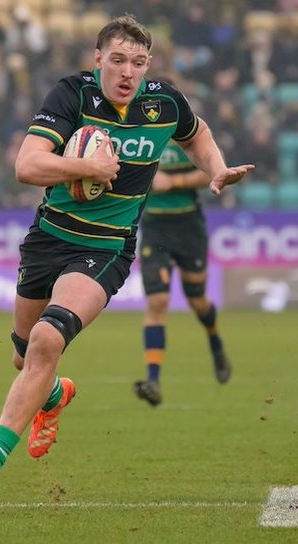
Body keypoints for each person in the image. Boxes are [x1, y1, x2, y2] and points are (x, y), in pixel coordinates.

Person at [0, 15, 253, 508]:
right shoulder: (71, 96)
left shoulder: (163, 102)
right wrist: (86, 166)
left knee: (48, 340)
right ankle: (54, 395)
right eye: (117, 60)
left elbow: (196, 134)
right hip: (48, 240)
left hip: (106, 248)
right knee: (24, 356)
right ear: (98, 60)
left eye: (137, 62)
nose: (127, 71)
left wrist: (217, 170)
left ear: (148, 65)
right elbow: (27, 165)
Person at [132, 140, 232, 407]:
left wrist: (173, 183)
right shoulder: (140, 136)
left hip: (188, 227)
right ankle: (153, 380)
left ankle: (215, 341)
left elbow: (212, 172)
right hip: (154, 228)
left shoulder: (188, 133)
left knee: (197, 301)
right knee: (157, 302)